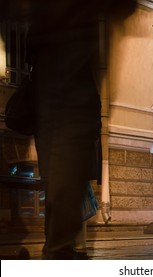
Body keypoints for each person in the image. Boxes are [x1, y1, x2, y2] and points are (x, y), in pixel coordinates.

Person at [1, 0, 136, 259]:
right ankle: (59, 253)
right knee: (64, 172)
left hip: (50, 80)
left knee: (58, 173)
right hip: (71, 76)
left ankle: (59, 250)